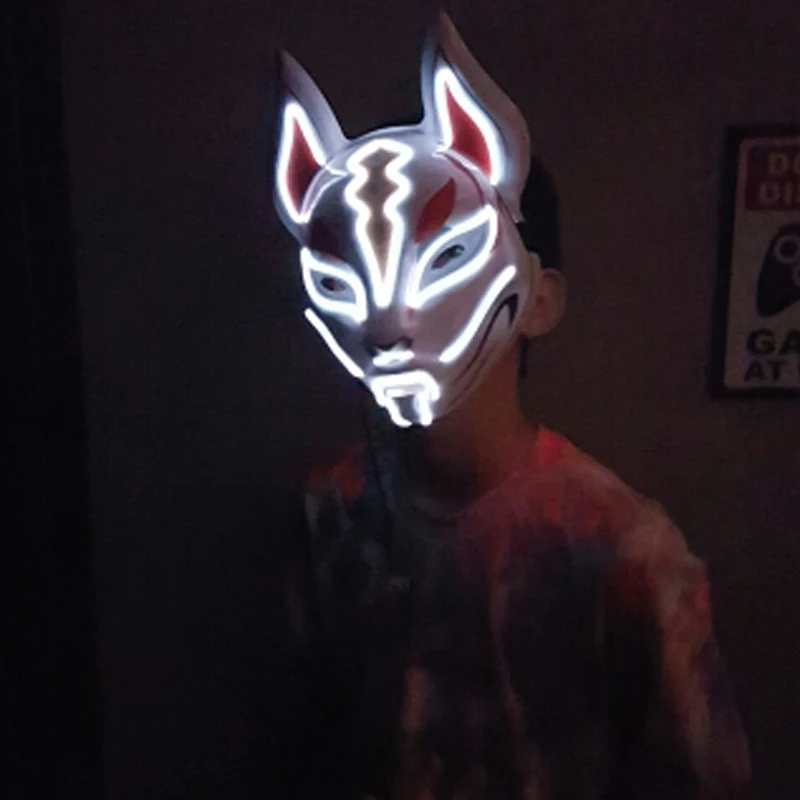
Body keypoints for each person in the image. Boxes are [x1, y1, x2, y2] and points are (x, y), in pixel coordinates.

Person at [274, 14, 750, 799]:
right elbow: (307, 738)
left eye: (444, 260)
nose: (388, 326)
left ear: (540, 298)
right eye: (342, 280)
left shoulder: (626, 554)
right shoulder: (331, 513)